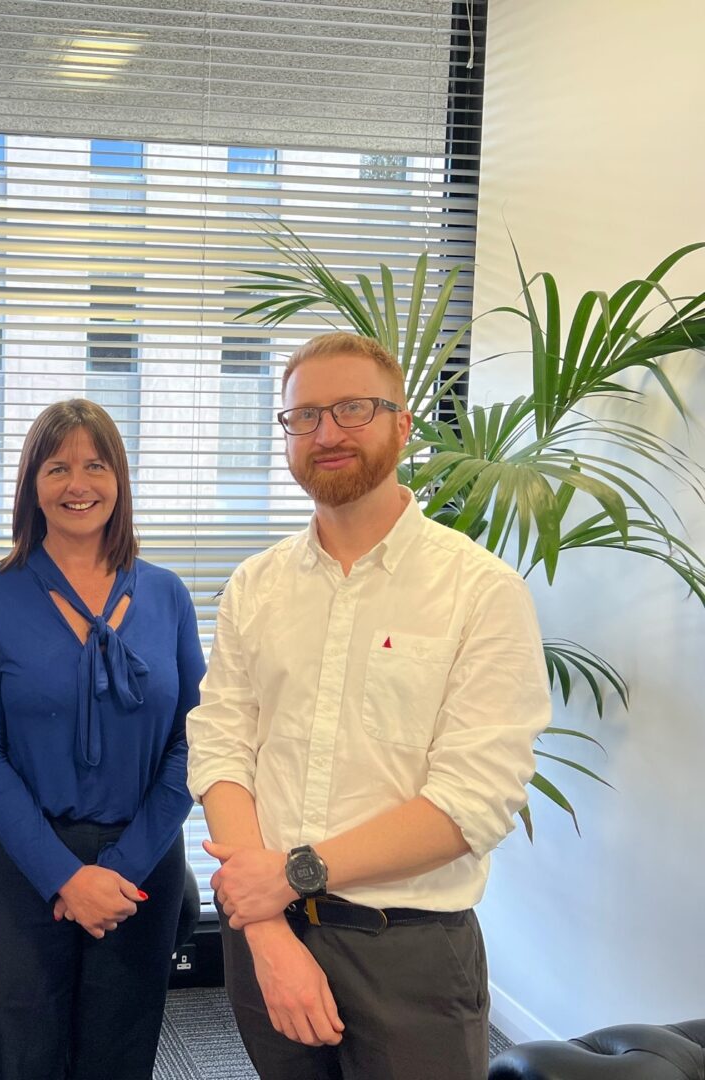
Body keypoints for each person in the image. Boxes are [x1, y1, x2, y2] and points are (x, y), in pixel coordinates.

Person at [186, 331, 551, 1080]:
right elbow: (222, 747)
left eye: (353, 408)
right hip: (268, 940)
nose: (327, 433)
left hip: (409, 954)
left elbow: (472, 804)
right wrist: (264, 926)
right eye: (305, 416)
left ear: (402, 423)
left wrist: (290, 875)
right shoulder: (255, 587)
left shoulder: (479, 591)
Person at [0, 399, 206, 1080]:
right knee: (20, 1058)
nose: (77, 484)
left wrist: (120, 869)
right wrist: (63, 875)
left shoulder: (167, 596)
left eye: (96, 465)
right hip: (18, 867)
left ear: (119, 480)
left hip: (141, 861)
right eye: (57, 466)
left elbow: (198, 738)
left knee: (120, 1056)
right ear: (33, 484)